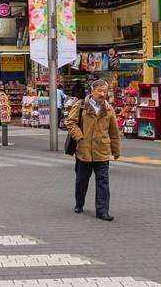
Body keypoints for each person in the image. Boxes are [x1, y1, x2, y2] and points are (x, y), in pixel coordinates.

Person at [65, 79, 120, 221]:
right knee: (82, 180)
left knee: (103, 182)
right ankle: (79, 203)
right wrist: (80, 137)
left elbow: (114, 131)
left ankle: (102, 211)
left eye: (105, 91)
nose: (102, 94)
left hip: (102, 150)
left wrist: (115, 150)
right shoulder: (81, 105)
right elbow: (71, 123)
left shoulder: (108, 108)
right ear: (92, 91)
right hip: (84, 151)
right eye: (99, 91)